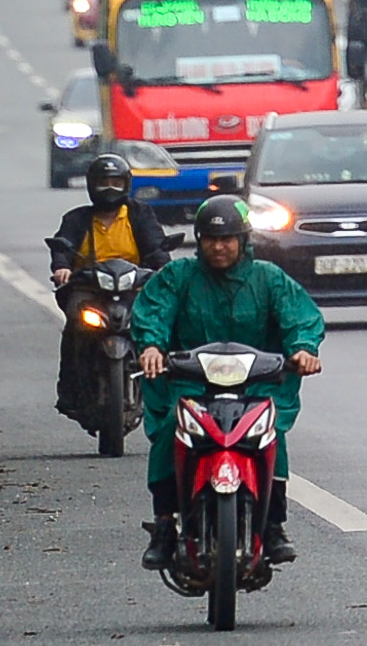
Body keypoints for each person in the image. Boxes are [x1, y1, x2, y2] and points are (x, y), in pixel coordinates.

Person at [130, 195, 324, 571]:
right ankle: (165, 523)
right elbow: (154, 312)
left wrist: (303, 349)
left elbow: (300, 317)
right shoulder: (178, 276)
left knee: (271, 433)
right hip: (191, 385)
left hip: (256, 387)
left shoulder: (268, 279)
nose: (219, 247)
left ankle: (273, 525)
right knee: (173, 425)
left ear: (243, 240)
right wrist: (152, 347)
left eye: (228, 239)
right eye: (210, 239)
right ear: (199, 240)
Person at [45, 156, 170, 426]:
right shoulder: (76, 218)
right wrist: (62, 268)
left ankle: (166, 388)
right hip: (90, 289)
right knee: (76, 325)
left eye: (116, 182)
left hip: (132, 288)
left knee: (158, 325)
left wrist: (162, 268)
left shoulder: (140, 214)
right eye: (103, 182)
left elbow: (157, 247)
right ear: (91, 185)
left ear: (126, 185)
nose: (110, 188)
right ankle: (71, 390)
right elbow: (62, 248)